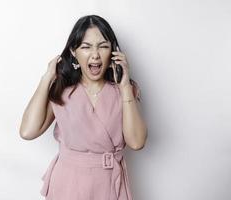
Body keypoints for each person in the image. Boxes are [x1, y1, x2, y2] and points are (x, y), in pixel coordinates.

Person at [19, 14, 148, 200]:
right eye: (86, 47)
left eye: (103, 46)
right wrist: (47, 78)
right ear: (73, 51)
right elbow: (28, 131)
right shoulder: (61, 89)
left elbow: (137, 142)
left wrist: (125, 85)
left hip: (108, 184)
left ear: (113, 50)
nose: (95, 55)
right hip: (68, 184)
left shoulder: (124, 90)